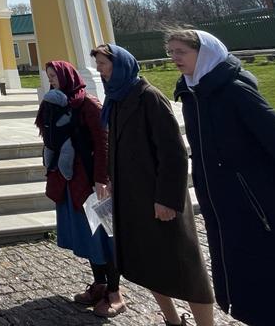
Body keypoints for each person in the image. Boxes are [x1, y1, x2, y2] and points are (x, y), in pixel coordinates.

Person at [169, 28, 275, 325]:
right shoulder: (194, 93)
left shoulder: (233, 91)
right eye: (171, 51)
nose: (174, 58)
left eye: (181, 51)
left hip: (259, 210)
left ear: (203, 54)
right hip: (225, 211)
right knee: (247, 290)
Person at [93, 43, 214, 325]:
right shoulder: (115, 99)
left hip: (159, 198)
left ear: (120, 65)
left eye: (103, 64)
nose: (99, 70)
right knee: (149, 264)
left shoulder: (149, 98)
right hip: (132, 197)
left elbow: (173, 153)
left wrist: (167, 199)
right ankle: (172, 319)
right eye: (97, 64)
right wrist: (110, 180)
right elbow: (114, 146)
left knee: (186, 267)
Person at [35, 61, 124, 316]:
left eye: (55, 76)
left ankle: (116, 294)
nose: (51, 80)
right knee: (88, 237)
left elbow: (103, 142)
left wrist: (102, 179)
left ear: (68, 76)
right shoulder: (55, 104)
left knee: (105, 238)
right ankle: (99, 285)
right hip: (68, 182)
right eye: (49, 76)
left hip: (93, 184)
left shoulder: (89, 104)